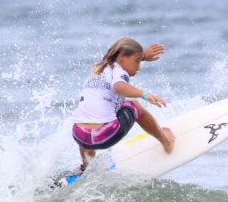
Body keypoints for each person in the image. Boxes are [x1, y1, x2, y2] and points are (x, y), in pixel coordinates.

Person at [71, 37, 174, 172]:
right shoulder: (120, 72)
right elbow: (119, 86)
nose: (139, 67)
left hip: (79, 135)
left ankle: (85, 165)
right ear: (122, 57)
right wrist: (145, 95)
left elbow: (120, 64)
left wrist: (142, 56)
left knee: (90, 112)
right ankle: (166, 142)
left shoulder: (99, 69)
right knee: (135, 106)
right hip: (102, 137)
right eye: (137, 62)